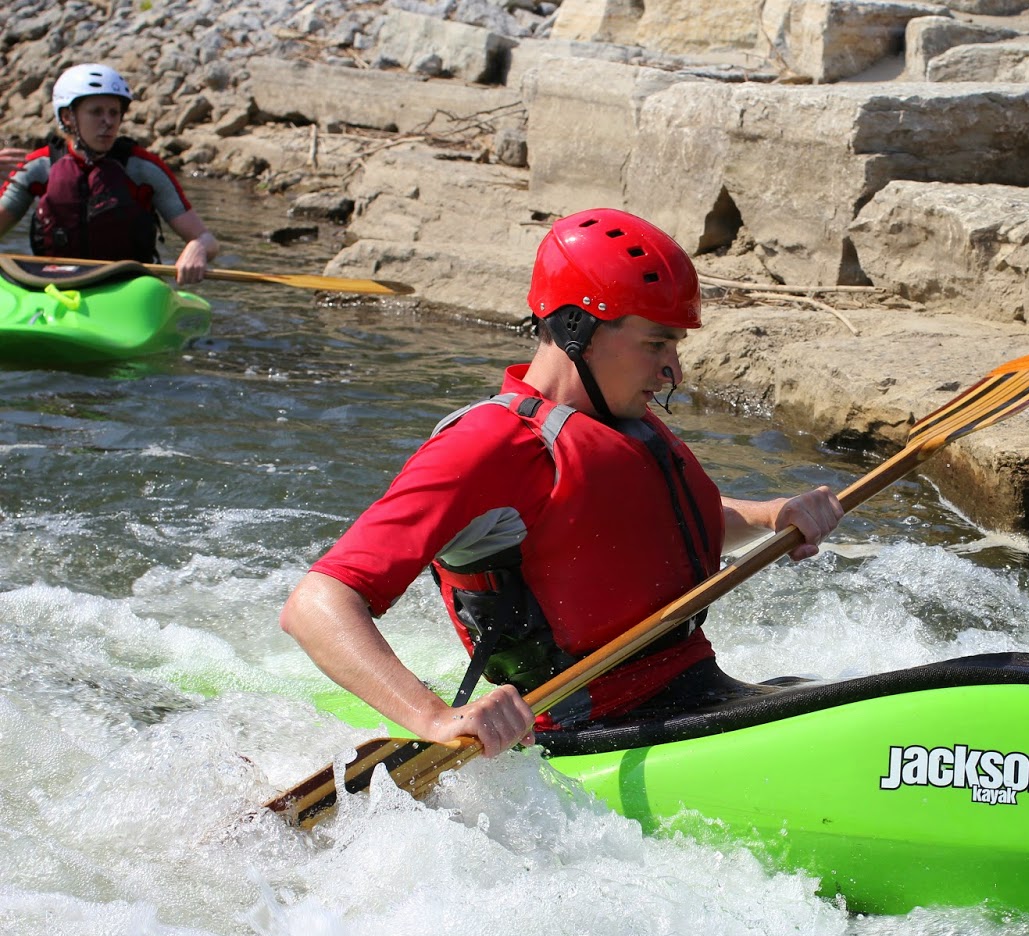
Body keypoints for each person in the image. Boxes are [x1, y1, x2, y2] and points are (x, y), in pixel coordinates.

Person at [280, 208, 844, 758]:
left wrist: (773, 515)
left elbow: (647, 532)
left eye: (676, 346)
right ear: (579, 328)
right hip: (591, 734)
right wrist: (433, 718)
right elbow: (316, 603)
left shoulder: (618, 422)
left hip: (699, 693)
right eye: (656, 344)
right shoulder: (488, 444)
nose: (674, 370)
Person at [0, 63, 219, 286]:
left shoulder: (144, 169)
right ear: (67, 117)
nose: (109, 121)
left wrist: (198, 247)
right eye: (96, 112)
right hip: (53, 286)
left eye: (114, 112)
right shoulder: (37, 167)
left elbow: (207, 239)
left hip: (126, 286)